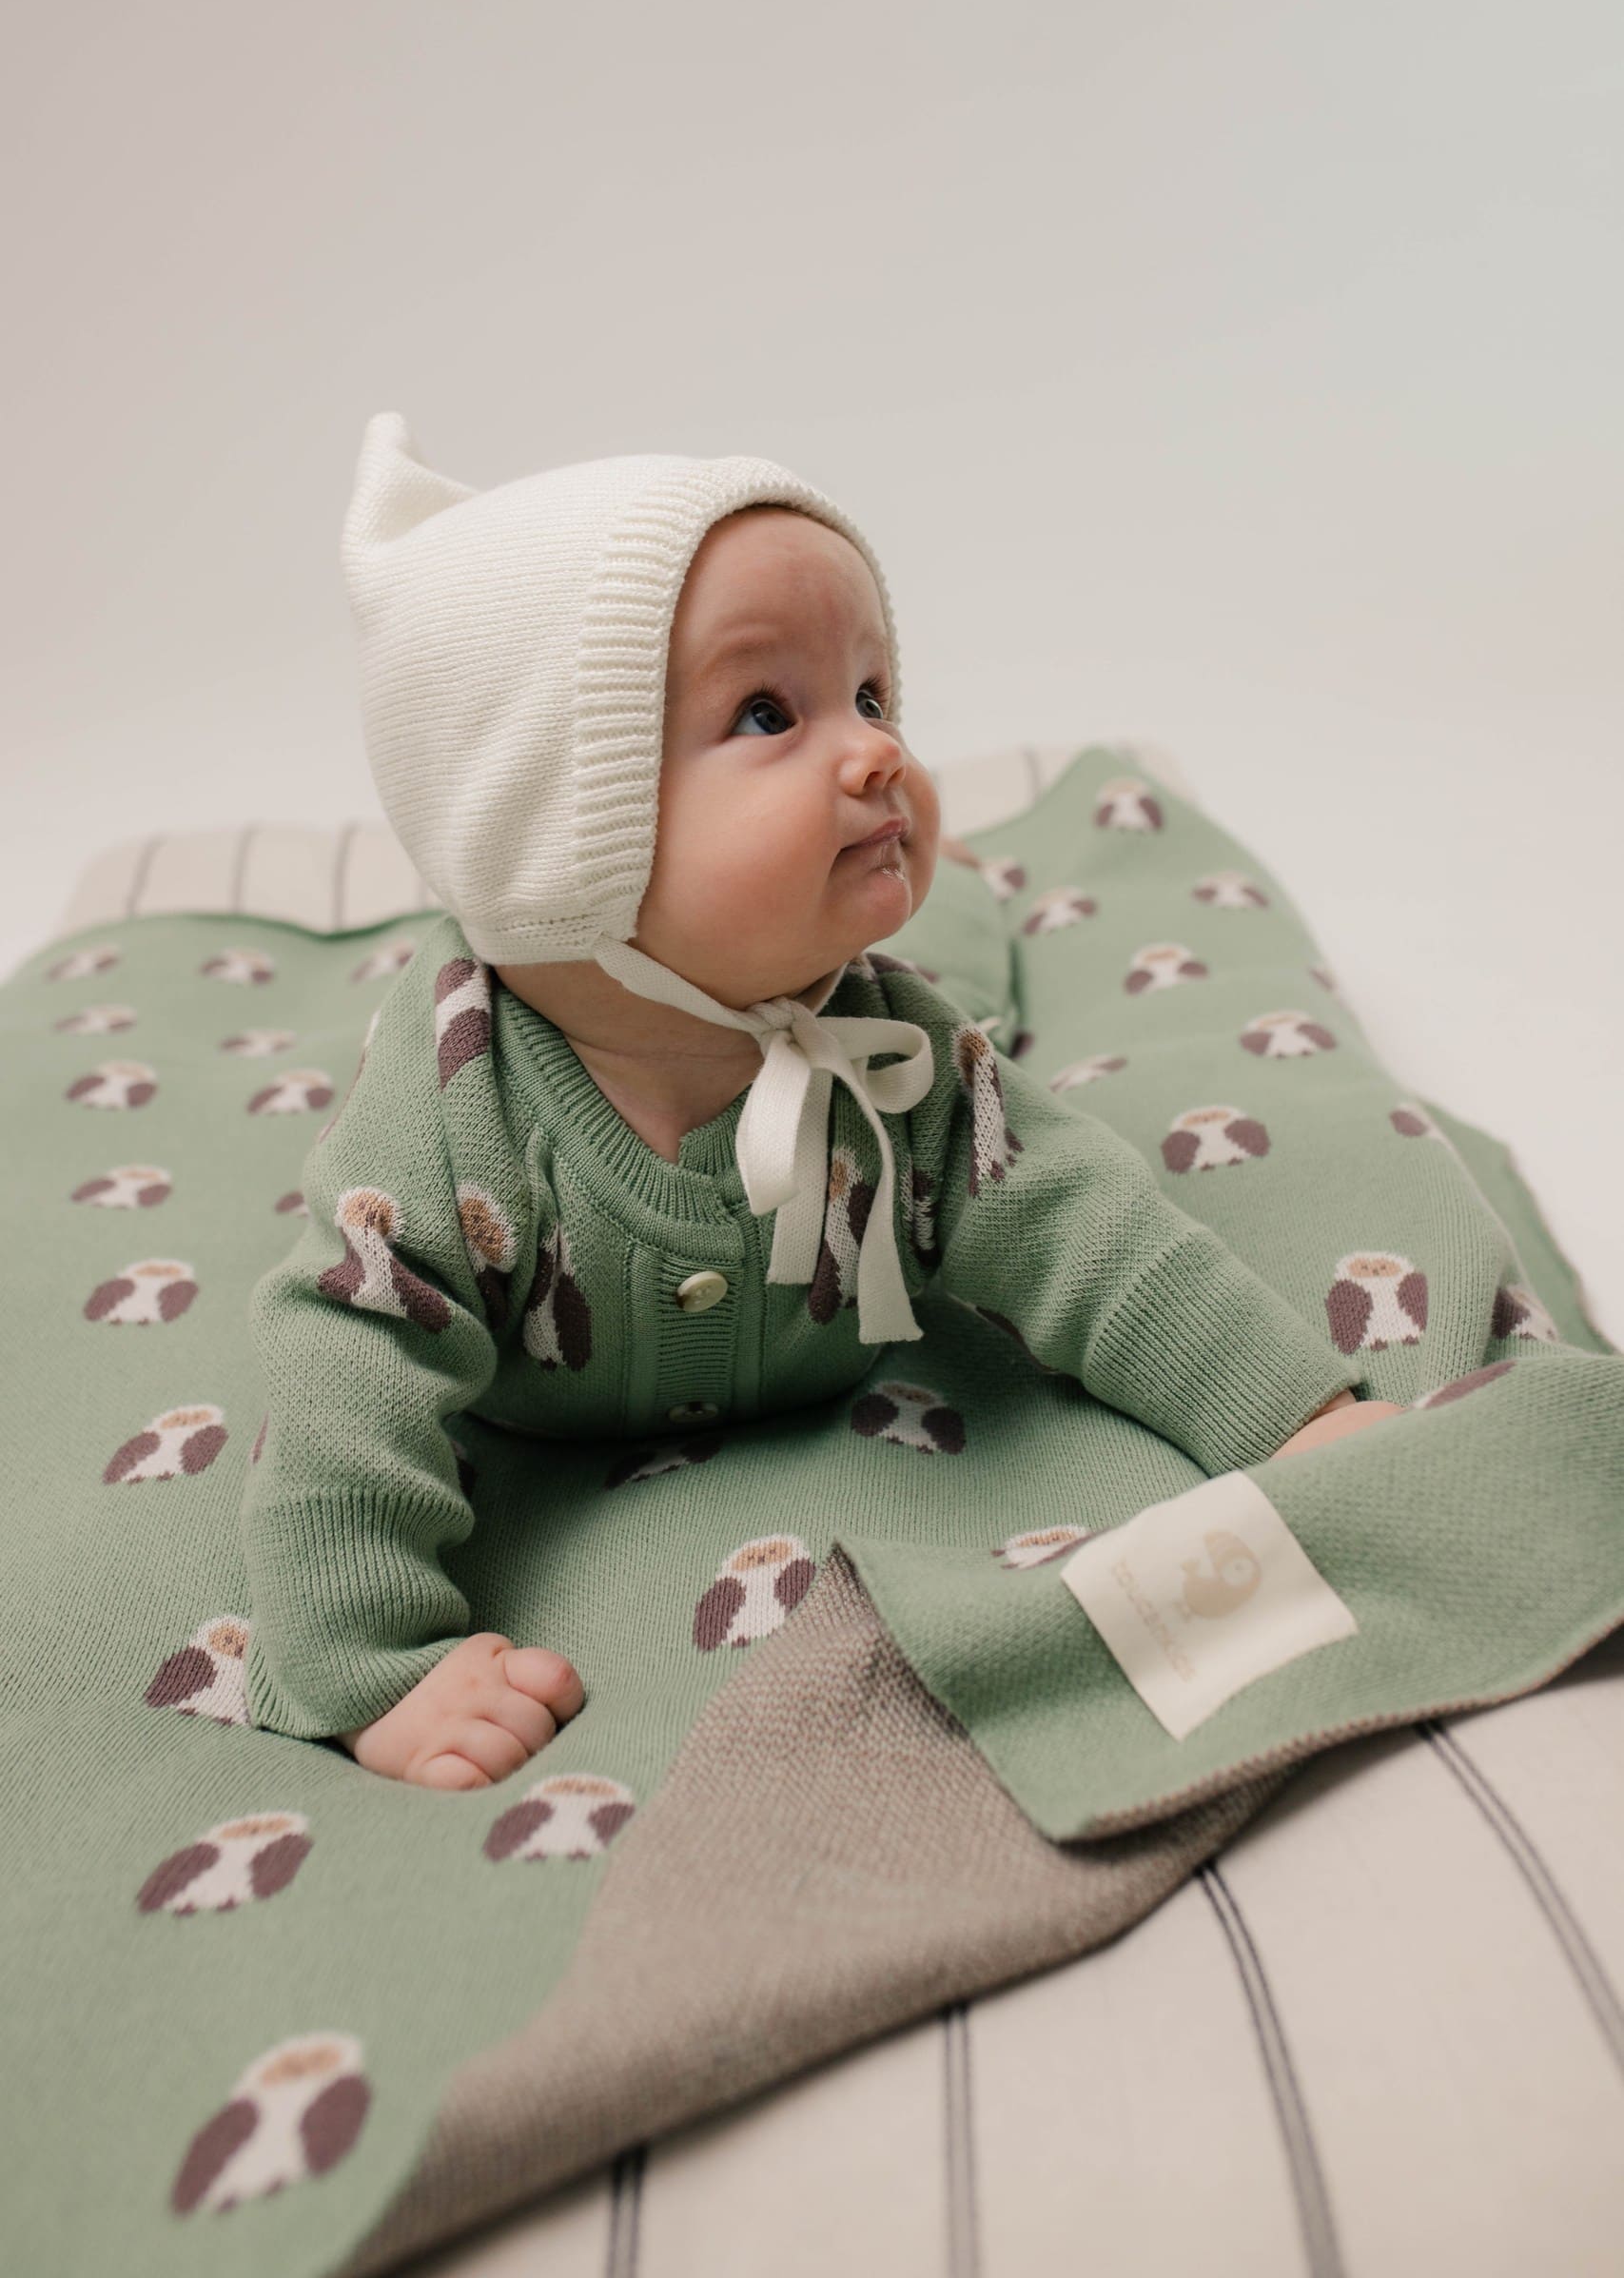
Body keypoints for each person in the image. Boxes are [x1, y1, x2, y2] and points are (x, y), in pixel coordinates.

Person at [239, 416, 1397, 1790]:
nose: (875, 754)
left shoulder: (893, 1058)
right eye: (769, 715)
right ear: (548, 833)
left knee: (963, 982)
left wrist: (1292, 1419)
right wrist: (375, 1665)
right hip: (524, 1413)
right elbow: (337, 1385)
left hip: (877, 1088)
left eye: (873, 696)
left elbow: (1098, 1235)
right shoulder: (450, 1115)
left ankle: (971, 894)